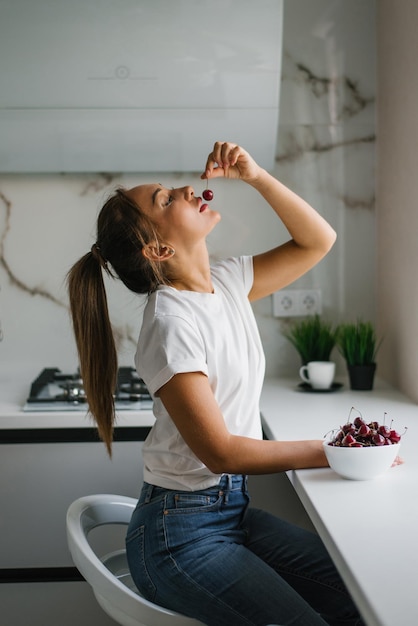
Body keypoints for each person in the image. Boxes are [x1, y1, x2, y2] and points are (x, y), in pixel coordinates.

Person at [67, 141, 365, 626]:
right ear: (159, 249)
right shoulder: (170, 323)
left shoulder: (226, 283)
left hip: (230, 513)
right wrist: (334, 448)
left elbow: (318, 241)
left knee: (358, 597)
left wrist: (257, 176)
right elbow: (222, 453)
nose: (186, 189)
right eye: (165, 199)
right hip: (178, 536)